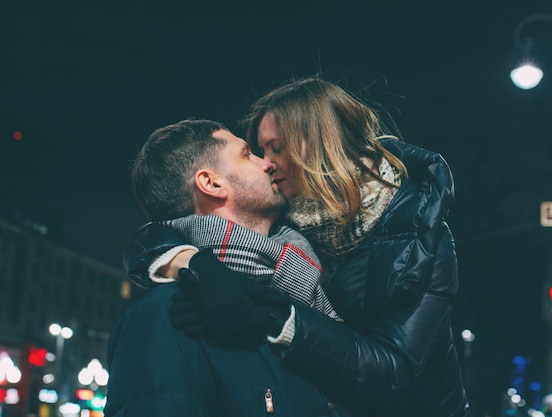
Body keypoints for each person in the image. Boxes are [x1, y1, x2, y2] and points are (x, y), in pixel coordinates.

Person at [125, 77, 472, 416]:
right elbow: (164, 231)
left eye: (276, 148)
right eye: (255, 152)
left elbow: (390, 373)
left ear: (321, 143)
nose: (267, 163)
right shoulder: (269, 249)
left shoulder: (418, 234)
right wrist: (187, 261)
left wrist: (280, 318)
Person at [104, 119, 354, 416]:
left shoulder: (306, 287)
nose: (268, 164)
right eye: (248, 154)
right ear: (211, 183)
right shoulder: (165, 317)